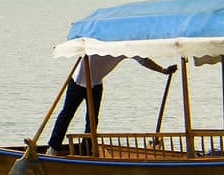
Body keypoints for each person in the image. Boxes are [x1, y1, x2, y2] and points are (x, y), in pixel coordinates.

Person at [46, 54, 177, 154]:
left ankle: (87, 150)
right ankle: (53, 148)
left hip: (96, 84)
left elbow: (144, 60)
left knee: (92, 120)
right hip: (78, 82)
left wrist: (163, 70)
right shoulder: (99, 40)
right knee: (67, 114)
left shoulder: (124, 46)